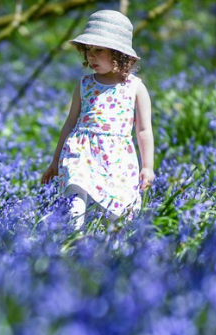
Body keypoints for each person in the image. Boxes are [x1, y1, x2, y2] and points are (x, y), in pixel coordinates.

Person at [40, 9, 155, 231]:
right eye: (88, 50)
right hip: (80, 152)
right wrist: (55, 161)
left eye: (98, 50)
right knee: (73, 198)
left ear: (119, 54)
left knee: (118, 214)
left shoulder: (135, 88)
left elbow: (143, 130)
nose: (91, 56)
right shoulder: (84, 85)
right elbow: (70, 124)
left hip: (117, 157)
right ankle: (69, 239)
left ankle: (112, 253)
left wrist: (147, 166)